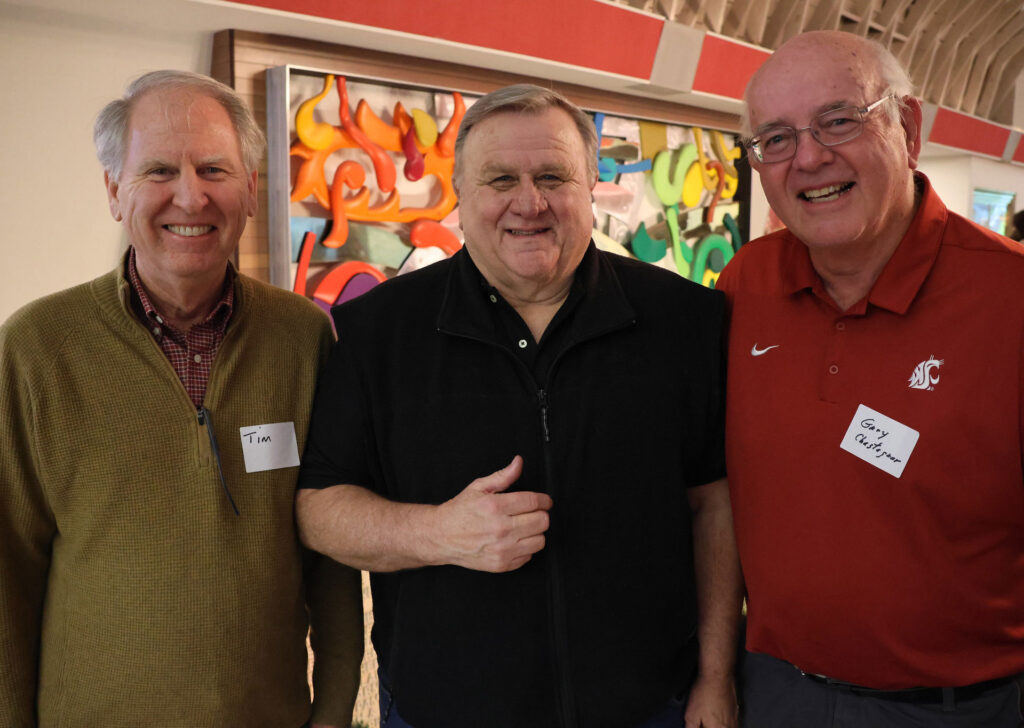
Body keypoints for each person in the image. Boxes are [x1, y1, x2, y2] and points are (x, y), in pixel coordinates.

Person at [295, 84, 742, 728]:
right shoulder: (376, 332)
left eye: (553, 176)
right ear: (461, 197)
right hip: (442, 710)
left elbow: (714, 504)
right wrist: (439, 533)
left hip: (651, 706)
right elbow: (319, 508)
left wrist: (717, 676)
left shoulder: (685, 320)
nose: (528, 203)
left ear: (590, 185)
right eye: (500, 179)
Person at [0, 70, 363, 727]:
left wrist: (335, 708)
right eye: (159, 170)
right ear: (115, 191)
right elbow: (7, 574)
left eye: (215, 169)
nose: (191, 197)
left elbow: (330, 555)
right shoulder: (35, 348)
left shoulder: (304, 336)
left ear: (251, 190)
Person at [717, 30, 1024, 727]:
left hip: (963, 709)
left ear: (908, 127)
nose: (811, 158)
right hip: (773, 692)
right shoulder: (746, 286)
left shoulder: (1011, 299)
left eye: (838, 120)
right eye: (776, 138)